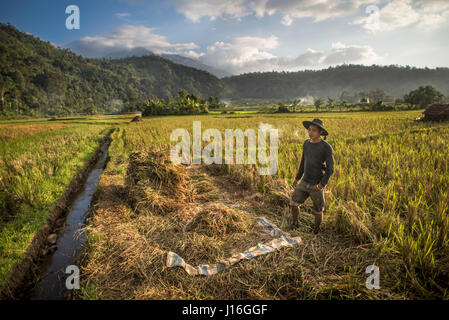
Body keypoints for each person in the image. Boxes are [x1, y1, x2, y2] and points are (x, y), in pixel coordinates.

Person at [289, 118, 334, 234]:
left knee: (318, 210)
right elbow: (303, 161)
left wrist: (321, 184)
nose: (310, 132)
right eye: (309, 130)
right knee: (293, 203)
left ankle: (316, 230)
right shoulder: (306, 143)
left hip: (316, 184)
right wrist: (297, 178)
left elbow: (330, 169)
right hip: (304, 181)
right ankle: (295, 223)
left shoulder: (326, 147)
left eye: (313, 130)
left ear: (320, 133)